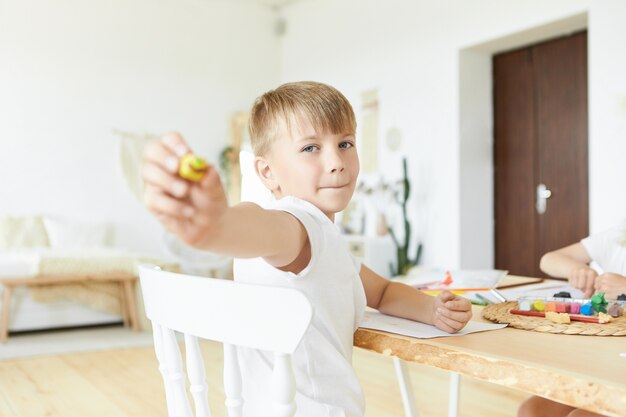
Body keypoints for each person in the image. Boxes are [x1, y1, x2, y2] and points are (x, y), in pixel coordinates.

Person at [141, 81, 472, 417]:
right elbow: (261, 226)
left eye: (345, 143)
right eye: (310, 148)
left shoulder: (325, 243)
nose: (336, 161)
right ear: (267, 173)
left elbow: (383, 292)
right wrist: (217, 226)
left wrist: (433, 311)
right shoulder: (299, 225)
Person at [518, 223, 626, 417]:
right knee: (532, 411)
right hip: (606, 364)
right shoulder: (617, 236)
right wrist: (576, 269)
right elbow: (548, 260)